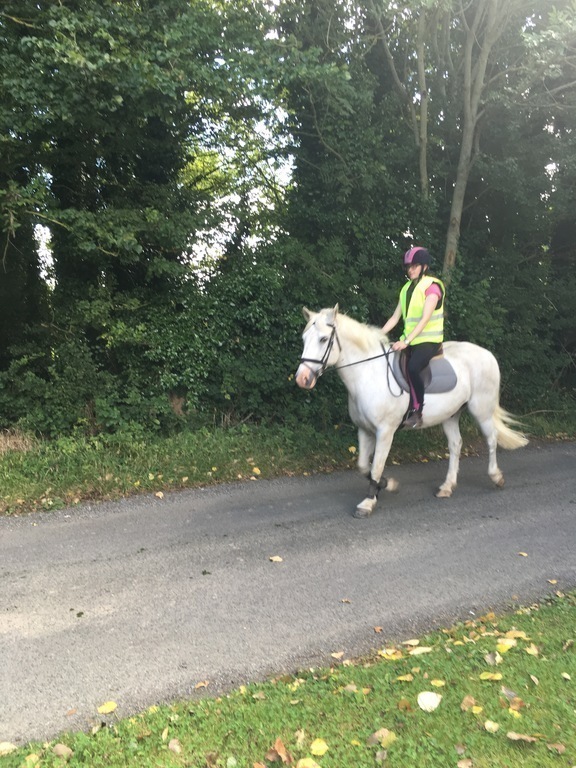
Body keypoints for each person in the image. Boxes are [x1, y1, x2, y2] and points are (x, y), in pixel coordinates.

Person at [381, 246, 445, 429]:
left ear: (424, 266)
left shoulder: (432, 288)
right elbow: (394, 318)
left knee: (413, 366)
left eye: (415, 266)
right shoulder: (406, 289)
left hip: (428, 341)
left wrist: (405, 342)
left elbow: (425, 319)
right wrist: (377, 335)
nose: (410, 270)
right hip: (410, 340)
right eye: (408, 266)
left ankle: (418, 411)